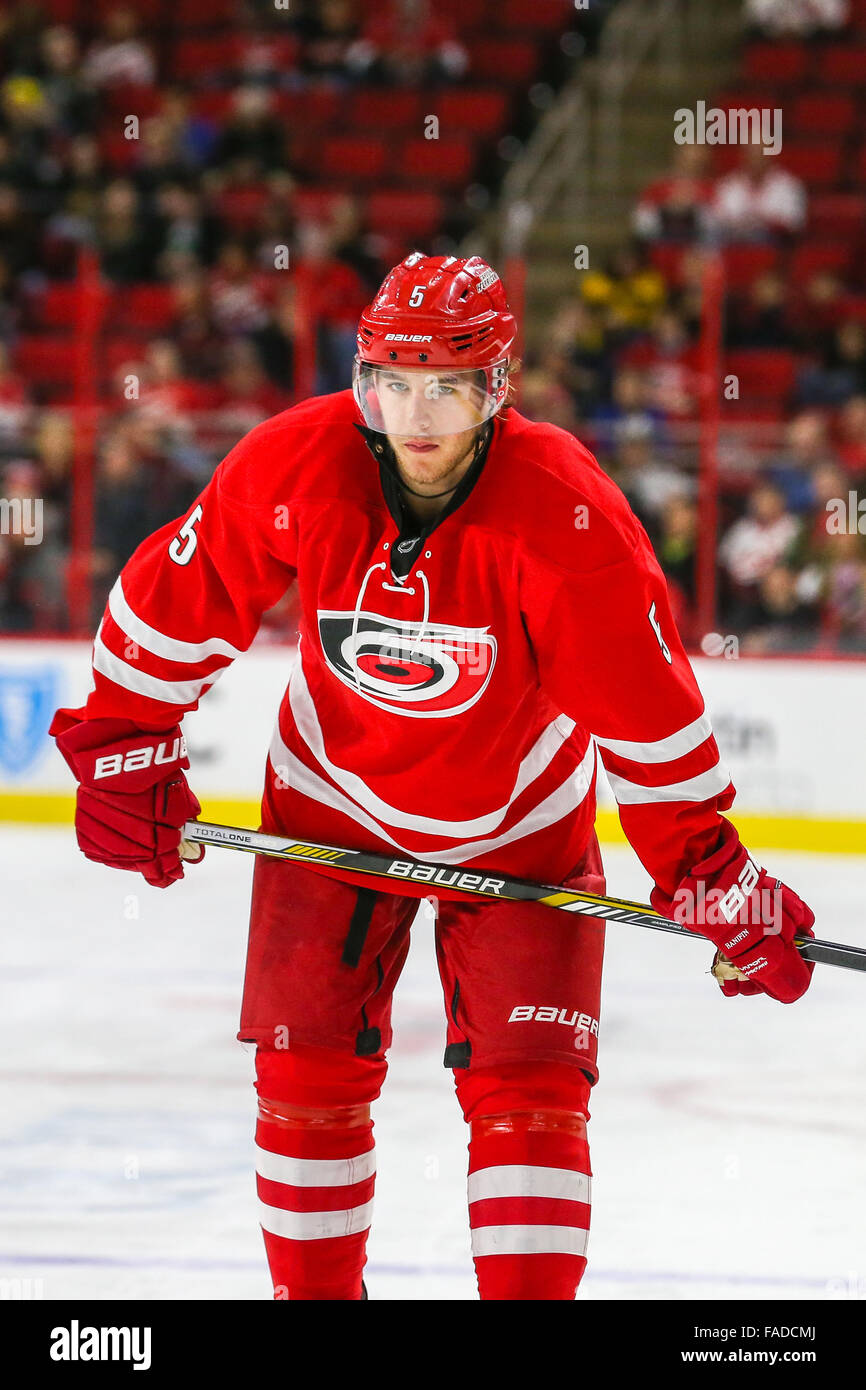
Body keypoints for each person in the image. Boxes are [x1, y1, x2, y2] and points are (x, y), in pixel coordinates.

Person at [50, 253, 816, 1302]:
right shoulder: (296, 461)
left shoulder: (568, 520)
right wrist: (127, 742)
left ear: (494, 388)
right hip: (329, 807)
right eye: (389, 382)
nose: (412, 415)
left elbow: (645, 719)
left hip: (519, 822)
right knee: (305, 1073)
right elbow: (180, 596)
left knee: (529, 1093)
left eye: (445, 385)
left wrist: (706, 867)